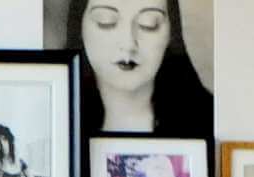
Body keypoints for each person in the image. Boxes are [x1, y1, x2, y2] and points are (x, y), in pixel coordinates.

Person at [68, 0, 212, 136]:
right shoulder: (57, 119)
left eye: (149, 23)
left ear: (172, 33)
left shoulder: (211, 120)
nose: (128, 44)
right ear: (79, 27)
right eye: (106, 21)